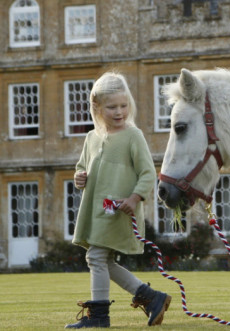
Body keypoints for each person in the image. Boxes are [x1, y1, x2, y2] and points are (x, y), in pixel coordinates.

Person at [66, 72, 170, 328]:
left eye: (124, 105)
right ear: (97, 108)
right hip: (96, 213)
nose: (119, 111)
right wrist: (80, 177)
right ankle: (151, 297)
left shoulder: (133, 136)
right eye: (112, 107)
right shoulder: (91, 138)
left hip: (120, 211)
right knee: (101, 259)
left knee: (96, 258)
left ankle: (100, 317)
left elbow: (147, 173)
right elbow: (82, 168)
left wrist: (134, 198)